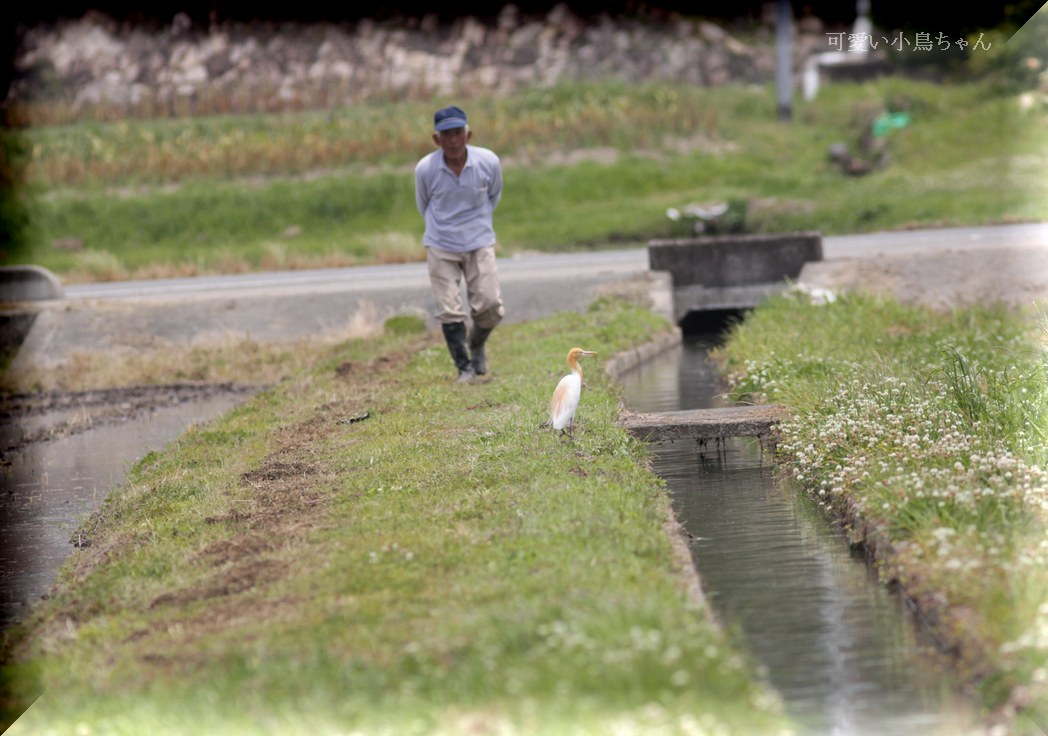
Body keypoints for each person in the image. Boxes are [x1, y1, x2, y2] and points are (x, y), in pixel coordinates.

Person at [415, 105, 506, 383]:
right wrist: (445, 230)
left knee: (489, 305)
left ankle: (476, 344)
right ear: (436, 139)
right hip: (441, 244)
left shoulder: (487, 162)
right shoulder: (426, 169)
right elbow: (424, 205)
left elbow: (494, 196)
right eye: (446, 135)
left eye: (457, 133)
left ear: (467, 135)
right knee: (449, 309)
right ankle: (464, 368)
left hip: (479, 240)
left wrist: (475, 226)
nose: (452, 140)